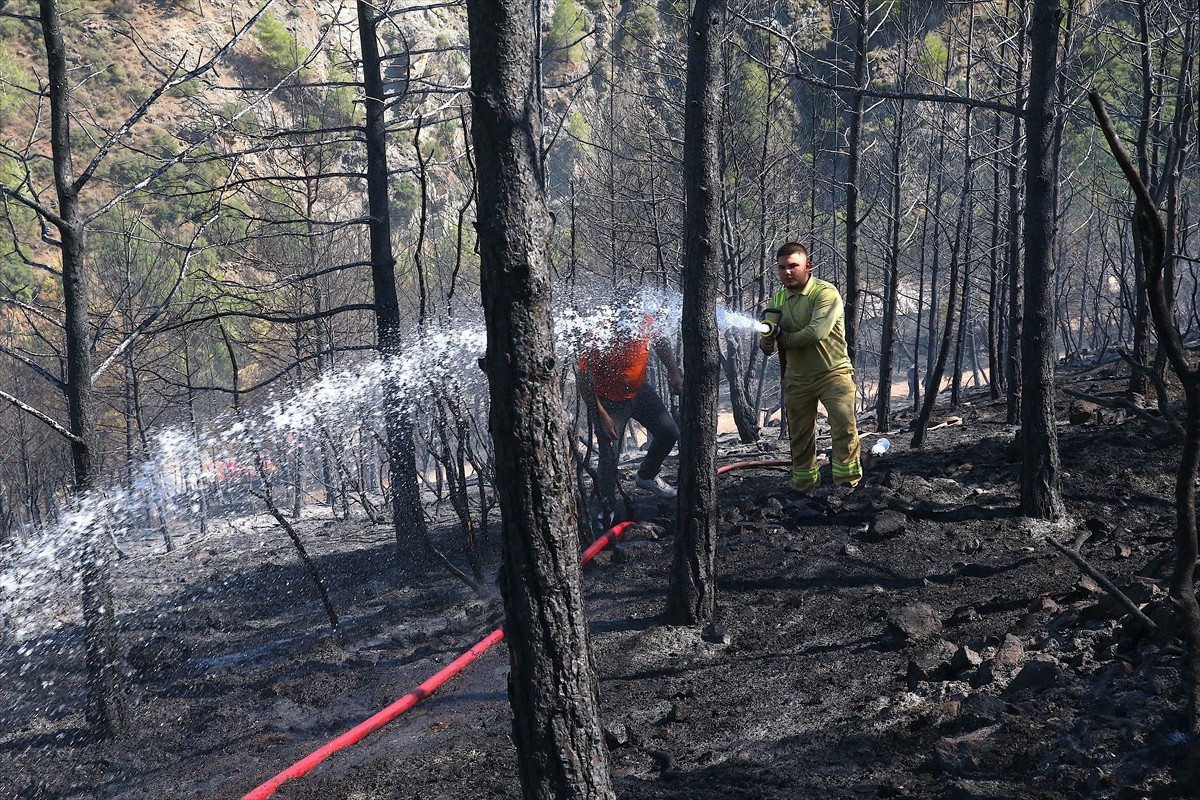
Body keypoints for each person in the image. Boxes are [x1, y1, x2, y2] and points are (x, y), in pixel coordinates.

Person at [759, 242, 862, 492]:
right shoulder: (779, 299)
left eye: (793, 266)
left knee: (842, 425)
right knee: (800, 437)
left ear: (808, 266)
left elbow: (816, 332)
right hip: (797, 379)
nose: (787, 272)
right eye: (782, 267)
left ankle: (847, 484)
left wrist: (781, 336)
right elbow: (769, 346)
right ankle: (804, 487)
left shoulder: (825, 293)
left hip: (833, 374)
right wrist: (766, 339)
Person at [578, 293, 683, 515]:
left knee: (669, 432)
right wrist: (602, 415)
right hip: (609, 402)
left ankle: (647, 475)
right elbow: (583, 379)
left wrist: (673, 371)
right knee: (610, 456)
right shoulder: (599, 333)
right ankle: (605, 511)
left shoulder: (645, 321)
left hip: (639, 391)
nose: (634, 323)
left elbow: (661, 341)